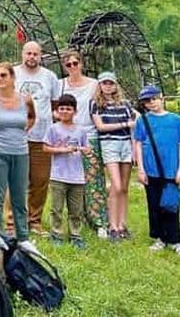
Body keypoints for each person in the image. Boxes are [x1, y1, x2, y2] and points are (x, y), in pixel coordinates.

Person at [0, 62, 36, 242]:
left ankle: (22, 238)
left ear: (12, 77)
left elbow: (32, 116)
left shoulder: (25, 99)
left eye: (3, 75)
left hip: (20, 152)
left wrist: (23, 131)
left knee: (19, 196)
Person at [133, 85, 180, 259]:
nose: (151, 103)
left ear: (162, 97)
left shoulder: (176, 120)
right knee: (154, 204)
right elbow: (138, 144)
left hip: (171, 170)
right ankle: (159, 237)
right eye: (147, 101)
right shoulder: (142, 121)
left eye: (154, 98)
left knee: (171, 205)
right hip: (151, 170)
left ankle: (175, 239)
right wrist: (141, 169)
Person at [59, 50, 108, 238]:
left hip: (89, 135)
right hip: (67, 135)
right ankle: (74, 218)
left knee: (94, 179)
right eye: (68, 64)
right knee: (67, 180)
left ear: (81, 64)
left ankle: (99, 221)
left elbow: (109, 103)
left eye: (75, 63)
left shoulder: (94, 84)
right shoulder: (60, 84)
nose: (72, 67)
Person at [13, 41, 60, 235]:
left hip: (43, 136)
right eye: (28, 53)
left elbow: (55, 104)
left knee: (40, 181)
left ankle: (35, 221)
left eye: (35, 54)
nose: (32, 57)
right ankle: (14, 221)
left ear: (41, 56)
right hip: (17, 137)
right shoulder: (13, 73)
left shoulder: (50, 76)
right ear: (22, 54)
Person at [90, 71, 137, 242]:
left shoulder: (125, 104)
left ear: (115, 85)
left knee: (124, 187)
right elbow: (101, 127)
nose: (108, 86)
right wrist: (124, 124)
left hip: (125, 144)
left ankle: (122, 224)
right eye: (104, 83)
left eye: (110, 83)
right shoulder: (96, 104)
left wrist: (134, 149)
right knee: (116, 186)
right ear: (100, 86)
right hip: (109, 144)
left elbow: (134, 125)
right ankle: (112, 225)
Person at [43, 94, 90, 248]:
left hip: (77, 177)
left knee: (76, 210)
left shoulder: (81, 130)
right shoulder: (53, 128)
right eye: (61, 108)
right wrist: (63, 149)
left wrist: (81, 149)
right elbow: (45, 147)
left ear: (75, 112)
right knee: (56, 208)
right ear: (57, 111)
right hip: (58, 175)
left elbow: (88, 149)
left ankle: (75, 235)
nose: (64, 111)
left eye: (68, 109)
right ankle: (56, 233)